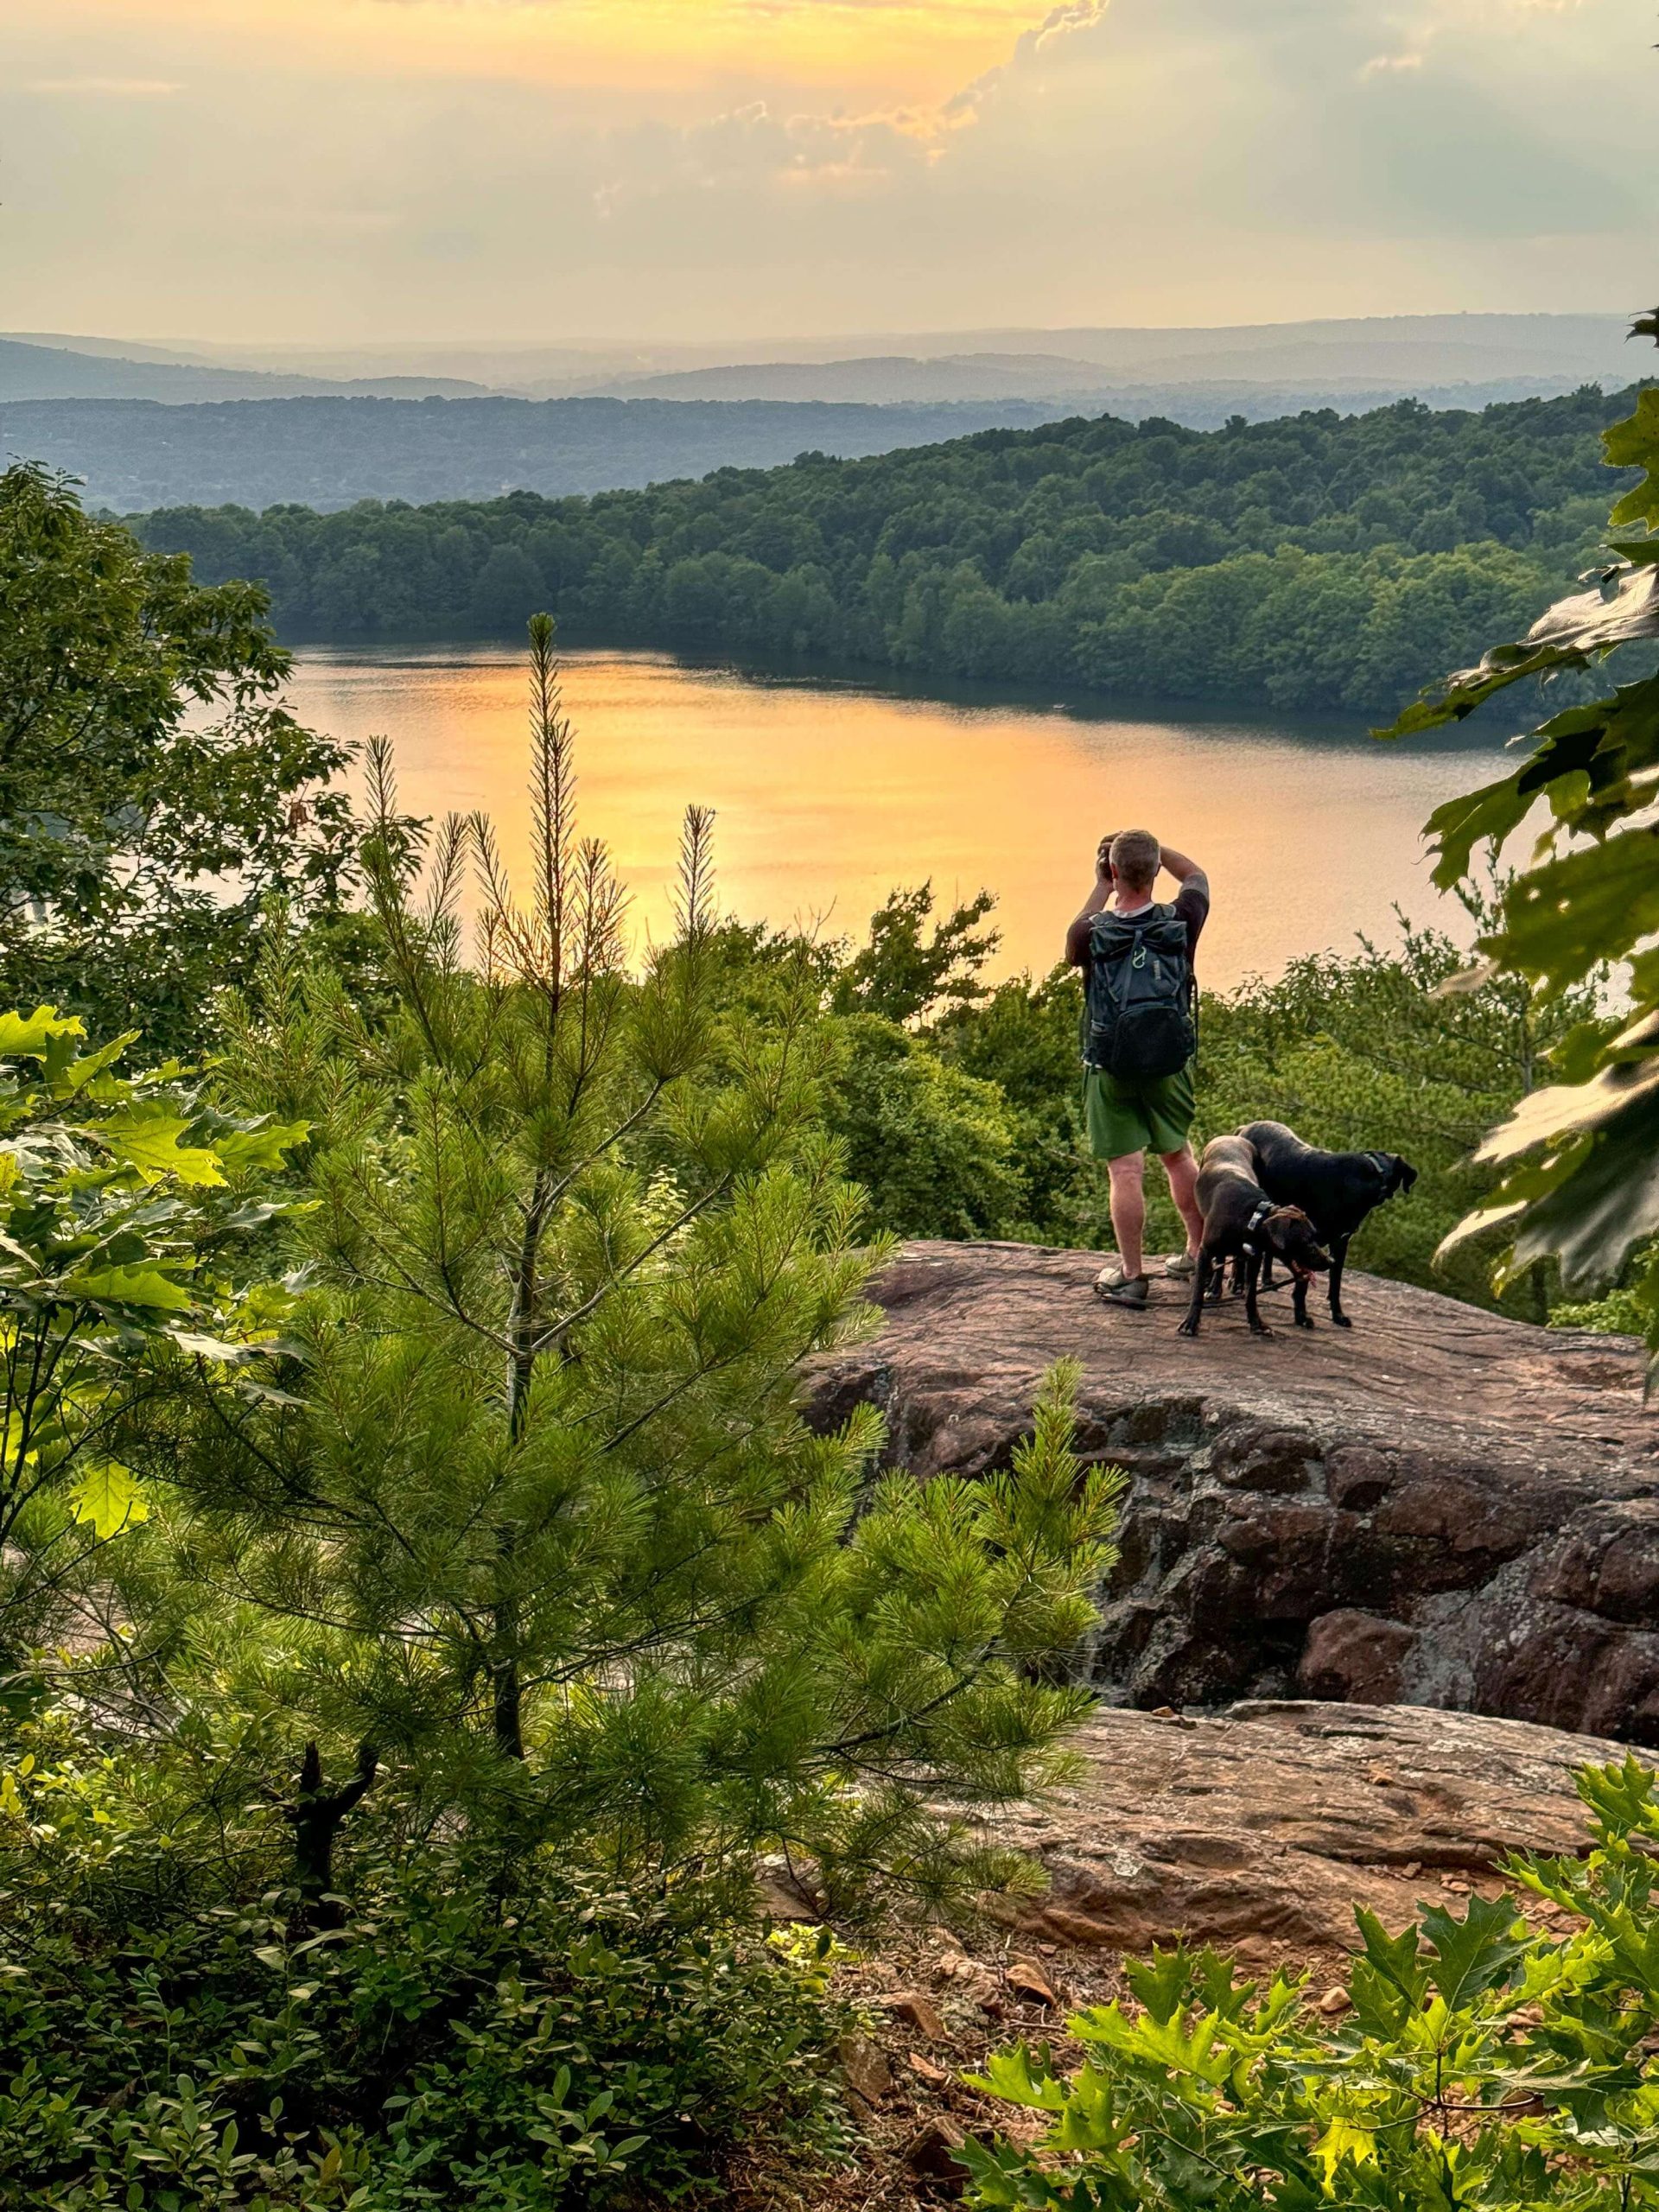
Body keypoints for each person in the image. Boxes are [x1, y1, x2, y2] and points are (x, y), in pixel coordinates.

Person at [1065, 827, 1209, 1309]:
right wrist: (1157, 850)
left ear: (1113, 872)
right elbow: (1196, 875)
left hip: (1112, 1066)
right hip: (1169, 1062)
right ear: (1152, 872)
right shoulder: (1182, 919)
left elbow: (1076, 938)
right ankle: (1199, 1254)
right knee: (1178, 1156)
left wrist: (1105, 882)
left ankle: (1131, 1276)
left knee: (1125, 1172)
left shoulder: (1091, 933)